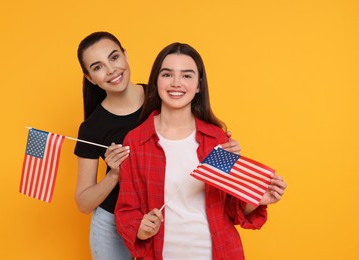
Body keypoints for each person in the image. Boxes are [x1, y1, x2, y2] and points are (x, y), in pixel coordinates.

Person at [74, 32, 242, 260]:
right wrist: (114, 174)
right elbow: (83, 203)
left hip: (166, 220)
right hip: (115, 219)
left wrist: (222, 146)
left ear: (125, 55)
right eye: (97, 67)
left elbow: (194, 131)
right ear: (90, 77)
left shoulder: (164, 95)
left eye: (114, 58)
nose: (111, 70)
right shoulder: (93, 127)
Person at [115, 42, 287, 259]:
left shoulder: (217, 139)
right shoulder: (136, 141)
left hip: (219, 252)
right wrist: (140, 228)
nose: (176, 83)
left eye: (187, 76)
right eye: (167, 74)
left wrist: (256, 199)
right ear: (156, 82)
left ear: (198, 86)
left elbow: (231, 210)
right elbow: (126, 210)